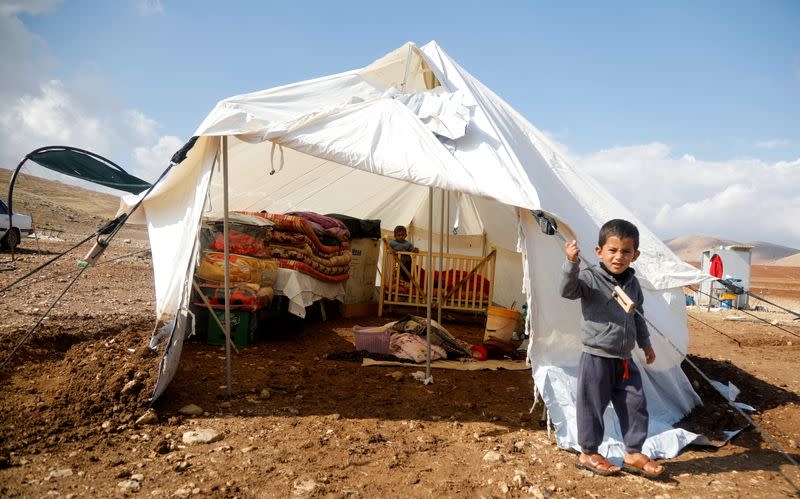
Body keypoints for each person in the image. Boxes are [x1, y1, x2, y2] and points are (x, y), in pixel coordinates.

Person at [559, 219, 664, 478]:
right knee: (591, 406)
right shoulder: (589, 277)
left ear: (635, 255)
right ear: (599, 251)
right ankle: (589, 452)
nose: (619, 257)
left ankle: (633, 452)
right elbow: (567, 291)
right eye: (613, 250)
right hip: (596, 356)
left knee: (635, 404)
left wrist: (646, 344)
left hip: (625, 359)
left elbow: (638, 316)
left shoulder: (633, 284)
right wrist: (571, 263)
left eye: (626, 251)